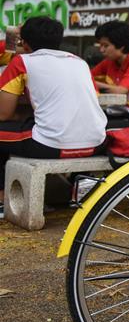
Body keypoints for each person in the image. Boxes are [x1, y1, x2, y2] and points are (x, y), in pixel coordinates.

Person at [0, 17, 107, 209]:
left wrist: (11, 33)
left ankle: (1, 197)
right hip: (96, 143)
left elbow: (3, 114)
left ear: (23, 42)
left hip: (50, 144)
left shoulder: (21, 62)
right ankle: (78, 187)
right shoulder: (79, 62)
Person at [91, 20, 129, 127]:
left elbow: (120, 91)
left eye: (106, 46)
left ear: (121, 46)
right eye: (100, 45)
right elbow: (88, 75)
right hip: (114, 113)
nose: (101, 50)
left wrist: (90, 82)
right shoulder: (108, 62)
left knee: (97, 128)